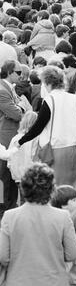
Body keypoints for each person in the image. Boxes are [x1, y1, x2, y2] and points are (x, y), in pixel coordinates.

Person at [0, 163, 76, 286]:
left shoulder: (9, 216)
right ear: (52, 189)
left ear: (23, 188)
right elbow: (72, 254)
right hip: (54, 283)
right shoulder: (62, 216)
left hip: (19, 283)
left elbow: (3, 256)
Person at [17, 66, 76, 187]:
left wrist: (21, 141)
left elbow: (38, 126)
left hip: (55, 149)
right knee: (71, 186)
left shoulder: (49, 99)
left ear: (47, 83)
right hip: (73, 147)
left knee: (55, 187)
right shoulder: (74, 98)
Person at [0, 60, 24, 219]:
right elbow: (17, 113)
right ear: (9, 72)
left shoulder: (8, 88)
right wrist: (21, 107)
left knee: (10, 174)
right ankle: (7, 210)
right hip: (5, 136)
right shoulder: (2, 90)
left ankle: (9, 208)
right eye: (18, 72)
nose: (21, 76)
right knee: (6, 176)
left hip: (10, 134)